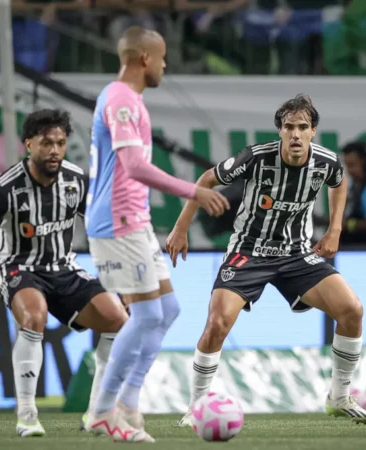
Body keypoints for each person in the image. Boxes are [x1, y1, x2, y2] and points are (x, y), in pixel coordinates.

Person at [166, 94, 366, 426]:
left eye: (302, 127)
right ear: (279, 130)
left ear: (313, 131)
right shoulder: (254, 158)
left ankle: (339, 396)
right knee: (218, 323)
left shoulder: (327, 162)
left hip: (296, 253)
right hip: (247, 252)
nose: (295, 134)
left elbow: (339, 182)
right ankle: (196, 407)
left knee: (352, 310)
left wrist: (335, 228)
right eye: (289, 127)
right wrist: (180, 229)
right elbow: (206, 180)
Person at [83, 26, 229, 442]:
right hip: (117, 223)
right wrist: (195, 191)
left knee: (168, 310)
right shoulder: (120, 100)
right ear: (145, 58)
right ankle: (103, 410)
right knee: (147, 314)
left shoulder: (129, 101)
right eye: (163, 58)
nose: (166, 65)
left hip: (135, 222)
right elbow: (133, 167)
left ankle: (127, 402)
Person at [0, 109, 128, 437]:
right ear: (28, 145)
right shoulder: (4, 188)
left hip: (64, 268)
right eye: (46, 142)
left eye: (61, 143)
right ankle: (26, 414)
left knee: (118, 320)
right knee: (34, 317)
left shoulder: (76, 180)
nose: (54, 150)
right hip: (18, 267)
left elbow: (102, 228)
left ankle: (97, 412)